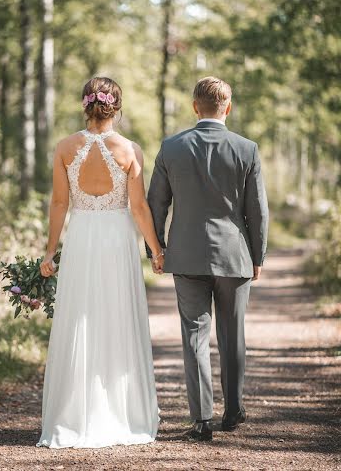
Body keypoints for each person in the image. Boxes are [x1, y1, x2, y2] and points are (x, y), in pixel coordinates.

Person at [36, 76, 163, 449]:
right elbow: (138, 208)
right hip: (117, 239)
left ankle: (73, 415)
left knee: (79, 319)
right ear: (116, 107)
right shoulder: (129, 149)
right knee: (116, 317)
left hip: (81, 238)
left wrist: (49, 251)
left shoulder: (65, 147)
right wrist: (156, 249)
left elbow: (59, 203)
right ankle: (120, 413)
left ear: (84, 104)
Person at [147, 76, 269, 442]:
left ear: (194, 107)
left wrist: (157, 248)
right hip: (235, 255)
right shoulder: (246, 149)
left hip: (185, 255)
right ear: (227, 108)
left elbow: (156, 202)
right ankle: (233, 411)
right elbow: (257, 211)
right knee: (233, 335)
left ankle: (201, 419)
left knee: (195, 336)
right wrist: (258, 254)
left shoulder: (171, 148)